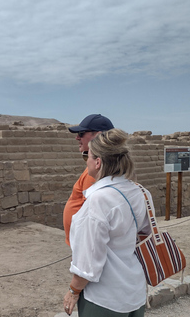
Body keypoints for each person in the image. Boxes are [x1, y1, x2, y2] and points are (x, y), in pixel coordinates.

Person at [63, 128, 150, 317]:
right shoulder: (140, 192)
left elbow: (88, 260)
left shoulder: (99, 201)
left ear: (98, 162)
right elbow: (144, 234)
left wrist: (73, 291)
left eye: (88, 156)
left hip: (104, 299)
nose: (86, 160)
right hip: (134, 290)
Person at [62, 114, 114, 246]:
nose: (77, 137)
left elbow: (92, 216)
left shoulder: (97, 170)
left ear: (98, 135)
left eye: (81, 133)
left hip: (86, 245)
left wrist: (83, 251)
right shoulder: (100, 166)